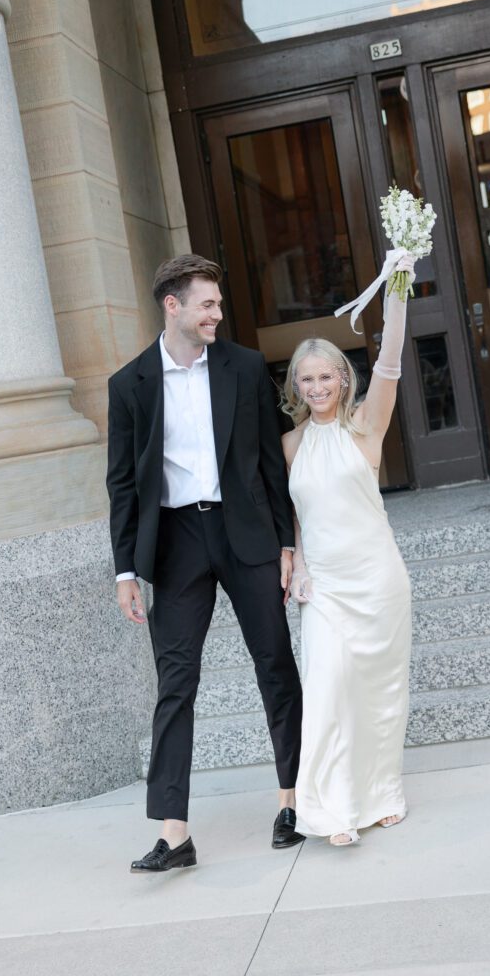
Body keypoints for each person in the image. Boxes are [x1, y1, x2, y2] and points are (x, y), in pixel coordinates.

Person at [106, 254, 304, 872]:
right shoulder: (129, 384)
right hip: (175, 543)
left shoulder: (243, 367)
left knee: (274, 662)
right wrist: (124, 571)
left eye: (218, 304)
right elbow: (121, 485)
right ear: (173, 305)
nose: (218, 314)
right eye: (208, 304)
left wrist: (288, 544)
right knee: (176, 684)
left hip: (244, 534)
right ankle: (174, 834)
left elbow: (270, 462)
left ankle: (294, 801)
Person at [280, 290, 412, 846]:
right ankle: (335, 811)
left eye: (326, 378)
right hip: (327, 588)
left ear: (342, 379)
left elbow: (390, 362)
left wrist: (399, 291)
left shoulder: (365, 428)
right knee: (328, 693)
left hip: (376, 578)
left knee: (380, 694)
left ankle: (383, 793)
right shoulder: (289, 443)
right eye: (306, 381)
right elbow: (297, 516)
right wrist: (300, 563)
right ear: (295, 386)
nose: (316, 389)